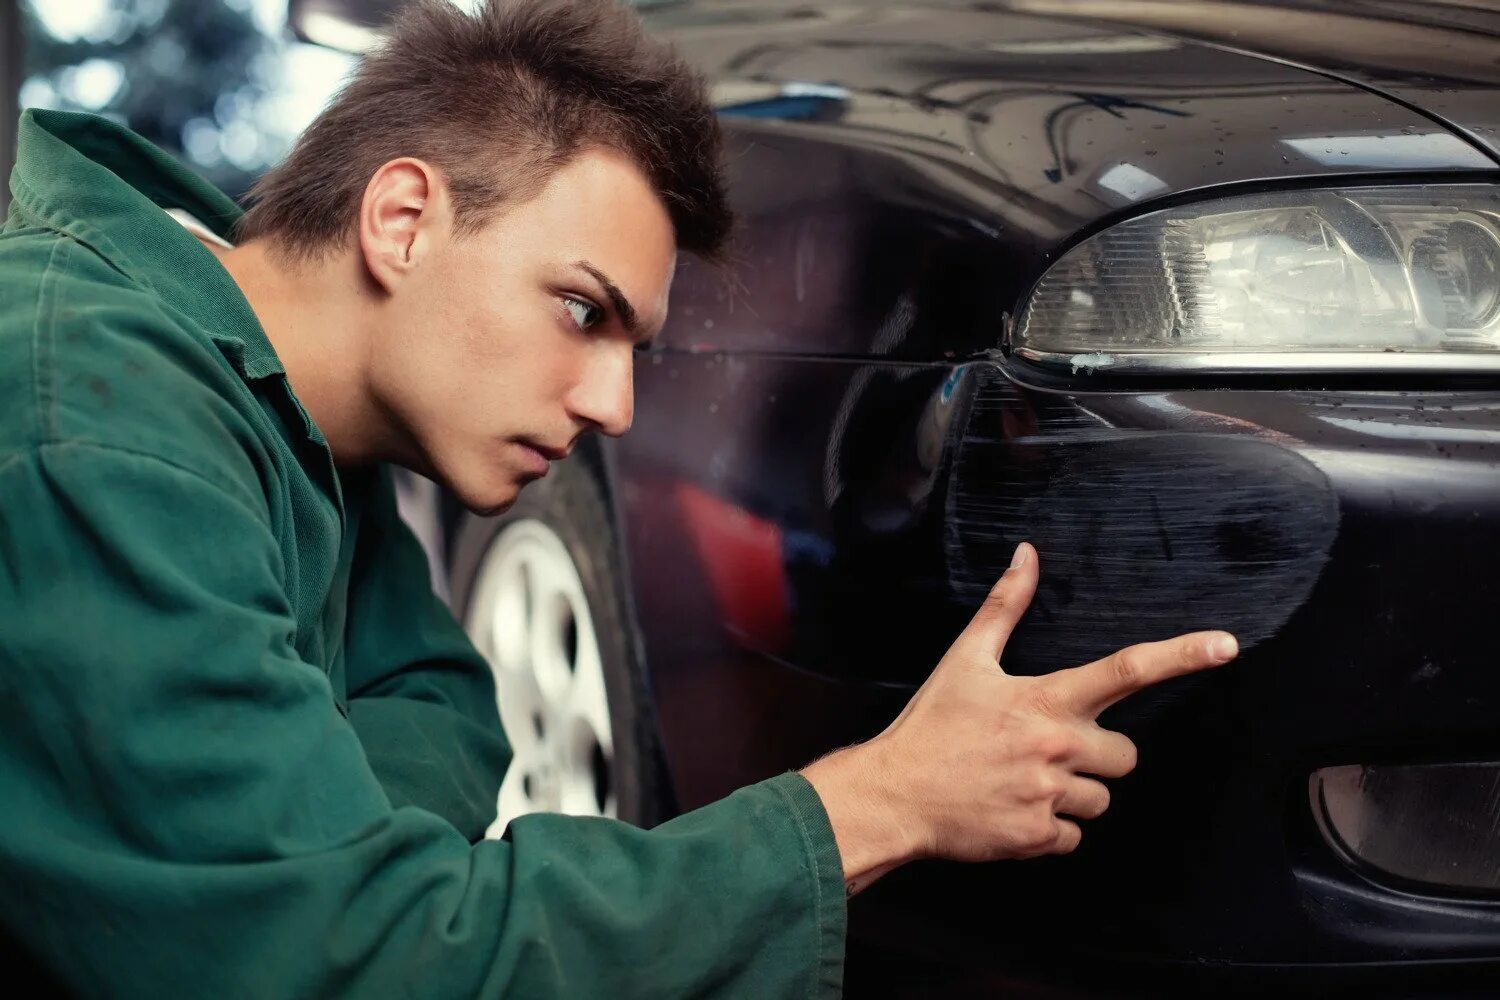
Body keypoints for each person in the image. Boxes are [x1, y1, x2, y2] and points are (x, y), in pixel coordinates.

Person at [0, 0, 1238, 995]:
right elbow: (350, 956)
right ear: (404, 218)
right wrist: (875, 802)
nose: (614, 406)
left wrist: (366, 842)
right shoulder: (99, 428)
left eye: (635, 348)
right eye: (582, 311)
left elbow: (433, 694)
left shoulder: (275, 384)